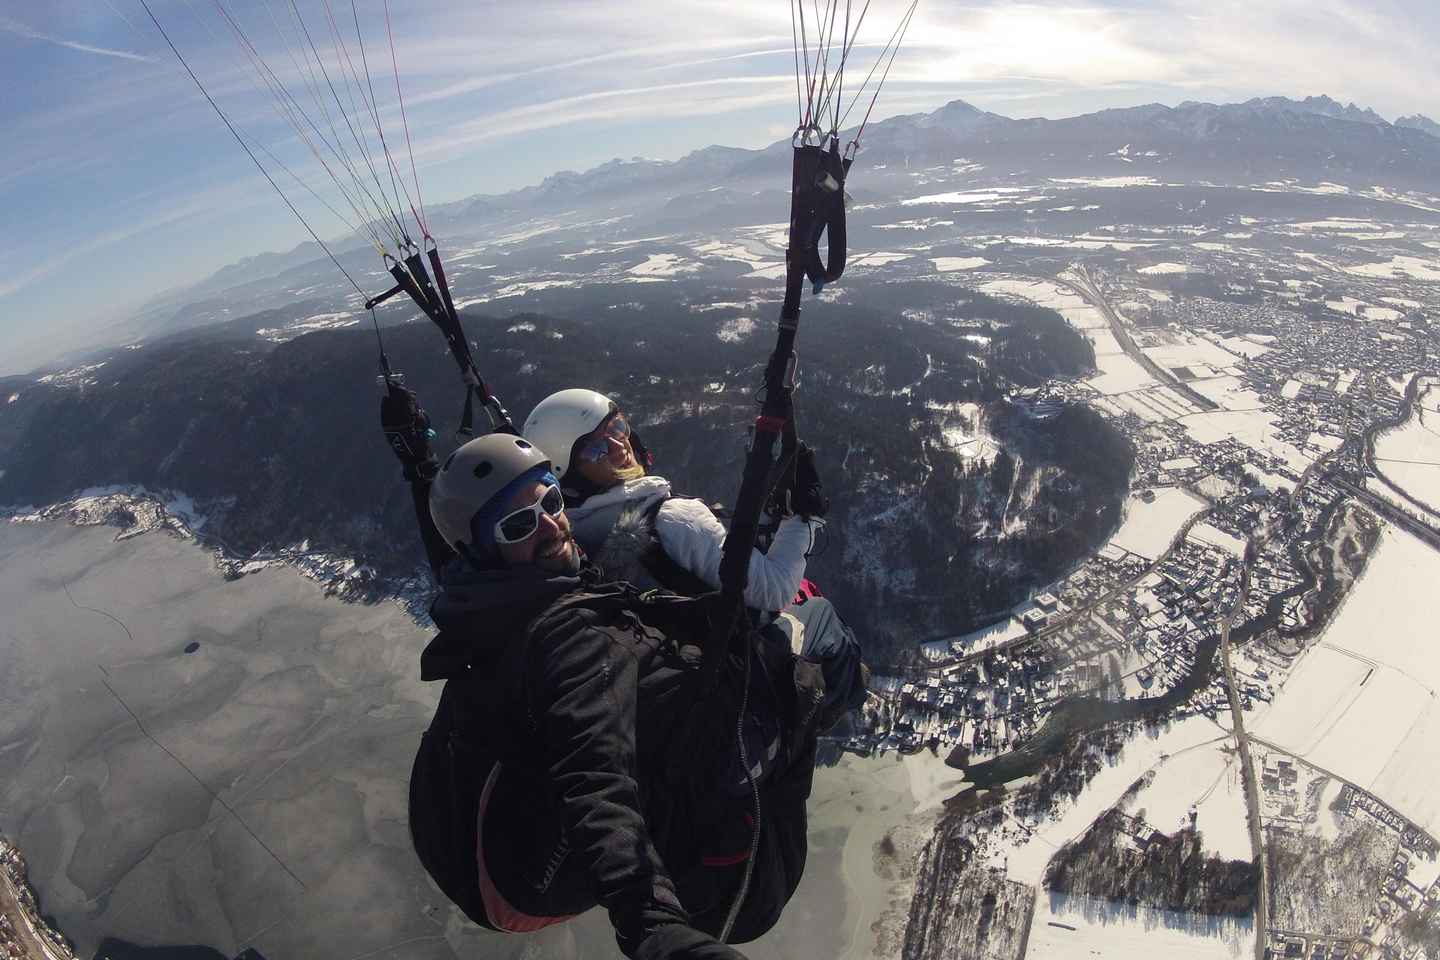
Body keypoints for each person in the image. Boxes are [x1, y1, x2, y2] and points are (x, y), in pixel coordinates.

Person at [381, 414, 846, 958]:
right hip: (530, 876)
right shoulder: (570, 633)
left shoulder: (478, 598)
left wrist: (422, 473)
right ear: (485, 551)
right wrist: (651, 926)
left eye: (551, 502)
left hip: (459, 833)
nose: (552, 526)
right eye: (519, 526)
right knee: (802, 667)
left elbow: (454, 551)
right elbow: (596, 778)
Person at [522, 389, 827, 612]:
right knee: (820, 615)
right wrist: (803, 516)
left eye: (616, 427)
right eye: (595, 449)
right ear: (572, 476)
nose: (619, 447)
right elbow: (774, 592)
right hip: (730, 651)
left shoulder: (569, 532)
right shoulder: (673, 520)